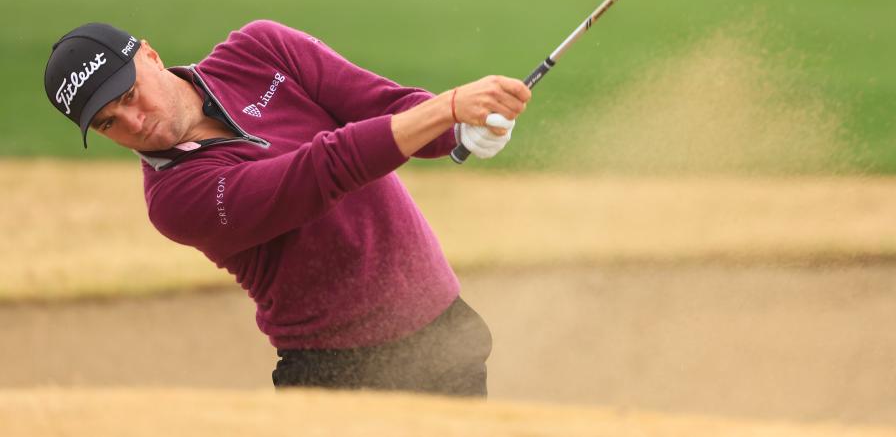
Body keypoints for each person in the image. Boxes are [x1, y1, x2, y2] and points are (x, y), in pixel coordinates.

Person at [43, 20, 531, 396]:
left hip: (445, 334)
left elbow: (385, 105)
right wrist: (446, 108)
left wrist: (461, 130)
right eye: (109, 123)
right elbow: (317, 173)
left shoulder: (261, 49)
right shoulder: (174, 199)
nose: (134, 122)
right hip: (336, 373)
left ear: (150, 54)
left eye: (129, 95)